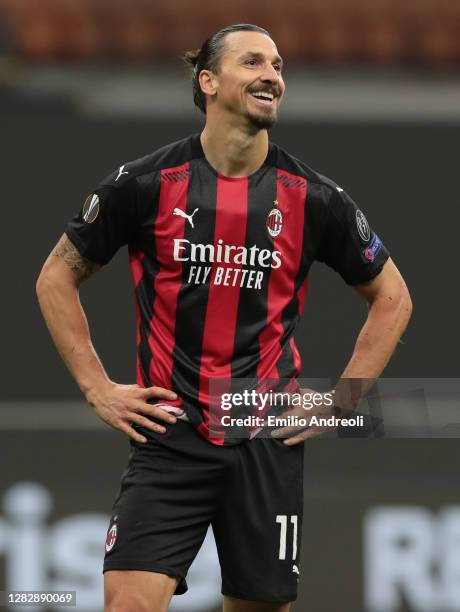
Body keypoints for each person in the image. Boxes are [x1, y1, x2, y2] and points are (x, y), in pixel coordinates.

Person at [36, 23, 412, 612]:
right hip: (169, 435)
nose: (272, 75)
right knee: (126, 605)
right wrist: (97, 388)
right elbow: (57, 276)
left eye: (279, 65)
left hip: (264, 438)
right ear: (207, 81)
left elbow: (393, 296)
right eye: (254, 62)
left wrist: (344, 398)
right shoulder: (144, 183)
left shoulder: (314, 197)